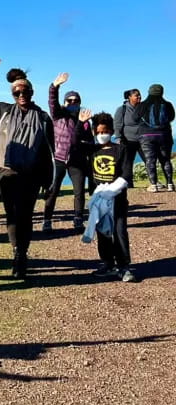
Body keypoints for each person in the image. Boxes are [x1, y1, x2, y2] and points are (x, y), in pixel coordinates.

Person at [0, 61, 54, 279]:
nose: (21, 95)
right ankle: (17, 252)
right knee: (12, 214)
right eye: (17, 92)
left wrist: (49, 180)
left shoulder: (43, 118)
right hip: (6, 172)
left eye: (25, 91)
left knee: (25, 215)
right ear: (13, 94)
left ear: (32, 91)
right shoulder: (3, 111)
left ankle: (22, 253)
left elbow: (48, 150)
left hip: (32, 173)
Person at [82, 111, 136, 282]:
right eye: (97, 132)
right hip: (99, 201)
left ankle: (124, 267)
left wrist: (112, 190)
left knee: (119, 231)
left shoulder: (121, 150)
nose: (101, 135)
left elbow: (126, 175)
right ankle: (108, 264)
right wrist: (79, 124)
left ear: (111, 131)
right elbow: (74, 145)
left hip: (117, 199)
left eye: (104, 131)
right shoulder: (92, 150)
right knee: (103, 233)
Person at [42, 73, 93, 232]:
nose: (72, 103)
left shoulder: (84, 120)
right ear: (64, 102)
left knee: (79, 192)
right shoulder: (58, 115)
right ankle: (47, 220)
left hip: (77, 161)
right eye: (69, 100)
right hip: (59, 159)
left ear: (80, 103)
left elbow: (89, 141)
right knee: (53, 190)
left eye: (75, 101)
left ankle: (78, 218)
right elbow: (52, 101)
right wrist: (55, 86)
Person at [136, 84, 175, 192]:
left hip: (146, 136)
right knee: (166, 160)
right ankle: (170, 184)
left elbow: (135, 118)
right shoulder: (168, 105)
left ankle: (153, 185)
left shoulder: (142, 105)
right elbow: (171, 117)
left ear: (149, 92)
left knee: (150, 160)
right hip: (164, 135)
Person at [113, 89, 144, 187]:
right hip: (127, 140)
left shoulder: (143, 108)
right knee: (127, 163)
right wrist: (118, 138)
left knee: (148, 160)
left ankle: (154, 181)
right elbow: (117, 124)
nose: (139, 97)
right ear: (129, 97)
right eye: (136, 96)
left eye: (139, 95)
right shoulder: (122, 109)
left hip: (142, 139)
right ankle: (128, 183)